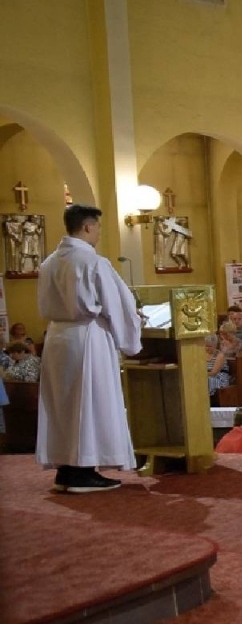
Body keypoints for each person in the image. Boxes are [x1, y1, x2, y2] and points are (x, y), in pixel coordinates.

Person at [36, 204, 144, 493]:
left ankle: (66, 470)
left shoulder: (49, 263)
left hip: (57, 337)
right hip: (87, 337)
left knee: (64, 406)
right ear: (87, 226)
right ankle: (83, 471)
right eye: (97, 228)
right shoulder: (93, 262)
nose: (98, 234)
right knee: (90, 403)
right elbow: (117, 304)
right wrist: (132, 331)